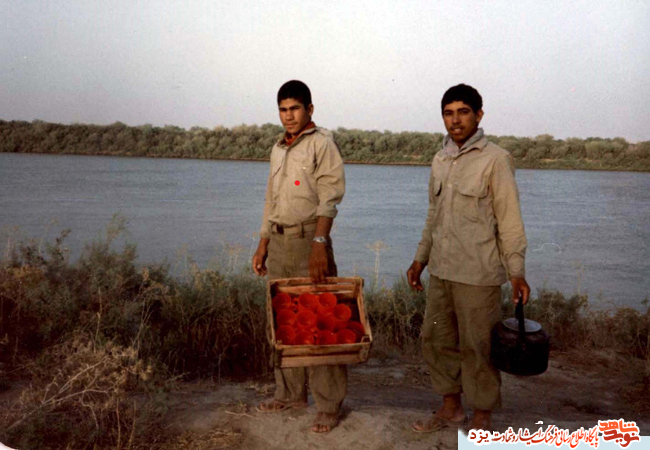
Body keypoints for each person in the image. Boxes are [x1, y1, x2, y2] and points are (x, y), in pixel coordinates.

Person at [406, 84, 530, 433]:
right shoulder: (441, 158)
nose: (455, 120)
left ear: (478, 114)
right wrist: (420, 260)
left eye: (463, 112)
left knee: (478, 347)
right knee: (437, 340)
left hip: (479, 273)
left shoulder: (496, 159)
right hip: (442, 271)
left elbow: (509, 220)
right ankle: (450, 409)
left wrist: (517, 272)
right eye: (448, 113)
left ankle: (482, 419)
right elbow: (433, 215)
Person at [252, 80, 347, 434]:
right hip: (279, 243)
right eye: (282, 109)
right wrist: (263, 243)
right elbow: (270, 200)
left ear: (309, 109)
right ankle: (290, 394)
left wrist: (320, 243)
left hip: (310, 241)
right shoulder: (278, 148)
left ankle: (328, 404)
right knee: (282, 322)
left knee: (321, 322)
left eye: (294, 108)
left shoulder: (322, 143)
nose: (288, 116)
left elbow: (330, 197)